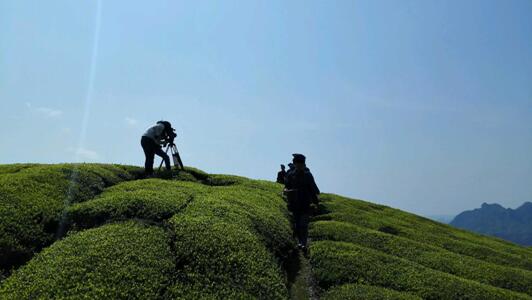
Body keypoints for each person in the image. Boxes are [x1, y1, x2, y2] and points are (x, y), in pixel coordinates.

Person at [284, 153, 320, 254]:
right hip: (294, 204)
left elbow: (314, 190)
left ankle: (303, 243)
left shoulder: (308, 175)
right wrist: (286, 191)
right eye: (298, 163)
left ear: (304, 164)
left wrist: (316, 203)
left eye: (301, 164)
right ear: (295, 164)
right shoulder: (290, 175)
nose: (299, 165)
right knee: (297, 225)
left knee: (303, 224)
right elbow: (286, 186)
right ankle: (300, 242)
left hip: (305, 204)